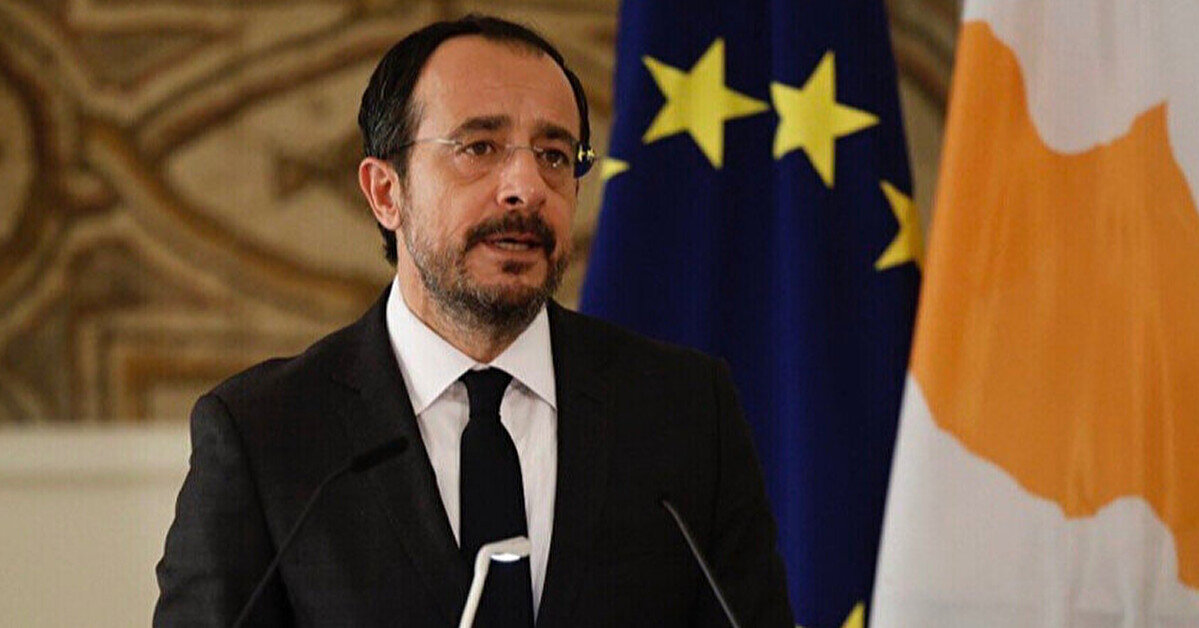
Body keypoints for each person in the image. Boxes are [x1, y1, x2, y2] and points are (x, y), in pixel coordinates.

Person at [154, 14, 793, 627]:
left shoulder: (683, 414)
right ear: (386, 193)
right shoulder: (268, 434)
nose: (526, 187)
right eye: (479, 147)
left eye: (554, 154)